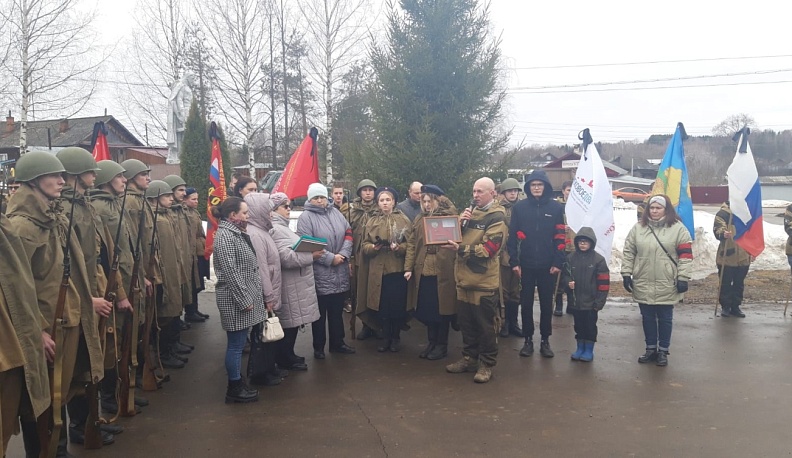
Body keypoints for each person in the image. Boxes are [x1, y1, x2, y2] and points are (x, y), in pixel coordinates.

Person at [8, 151, 109, 455]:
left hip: (67, 322)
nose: (62, 181)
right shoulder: (22, 228)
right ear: (35, 180)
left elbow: (75, 270)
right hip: (45, 329)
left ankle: (60, 448)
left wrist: (86, 302)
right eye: (55, 176)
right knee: (38, 402)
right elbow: (12, 290)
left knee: (60, 395)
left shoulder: (55, 220)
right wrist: (35, 331)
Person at [56, 147, 121, 447]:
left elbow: (100, 253)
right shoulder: (66, 211)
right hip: (79, 295)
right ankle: (79, 428)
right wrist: (86, 299)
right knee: (77, 366)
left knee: (89, 363)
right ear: (74, 173)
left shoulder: (84, 206)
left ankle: (87, 422)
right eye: (90, 170)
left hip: (93, 287)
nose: (96, 175)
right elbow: (69, 264)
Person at [445, 177, 507, 384]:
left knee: (486, 326)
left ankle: (486, 364)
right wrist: (459, 225)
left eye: (480, 191)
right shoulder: (471, 212)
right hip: (463, 280)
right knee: (467, 324)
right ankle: (469, 359)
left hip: (483, 282)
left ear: (492, 193)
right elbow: (457, 237)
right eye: (474, 191)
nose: (475, 195)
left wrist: (460, 249)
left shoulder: (497, 216)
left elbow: (489, 250)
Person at [622, 194, 693, 367]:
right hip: (643, 279)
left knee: (665, 318)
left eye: (658, 208)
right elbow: (629, 251)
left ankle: (663, 350)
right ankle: (650, 348)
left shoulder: (678, 229)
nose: (654, 211)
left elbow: (685, 256)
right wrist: (626, 273)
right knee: (647, 317)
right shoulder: (638, 228)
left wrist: (683, 277)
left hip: (666, 280)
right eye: (651, 208)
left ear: (666, 209)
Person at [0, 212, 49, 456]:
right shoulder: (19, 225)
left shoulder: (6, 227)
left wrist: (36, 326)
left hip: (14, 341)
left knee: (7, 424)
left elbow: (20, 286)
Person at [211, 196, 265, 403]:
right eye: (244, 212)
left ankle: (237, 381)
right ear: (233, 215)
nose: (248, 216)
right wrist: (244, 300)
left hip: (241, 297)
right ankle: (234, 387)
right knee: (235, 345)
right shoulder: (225, 236)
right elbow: (230, 272)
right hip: (234, 300)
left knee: (239, 342)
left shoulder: (236, 233)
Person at [507, 170, 565, 358]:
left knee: (547, 305)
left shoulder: (556, 208)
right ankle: (528, 340)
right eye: (533, 185)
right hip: (526, 265)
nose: (537, 188)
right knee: (526, 304)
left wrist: (558, 261)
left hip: (548, 266)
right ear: (528, 188)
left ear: (546, 187)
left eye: (540, 185)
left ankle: (545, 340)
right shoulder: (520, 208)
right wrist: (514, 262)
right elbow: (512, 237)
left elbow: (560, 237)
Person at [297, 183, 355, 359]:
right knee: (320, 314)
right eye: (316, 197)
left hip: (340, 271)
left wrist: (343, 255)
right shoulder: (305, 218)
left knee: (337, 312)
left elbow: (348, 233)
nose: (320, 200)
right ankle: (319, 347)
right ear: (310, 199)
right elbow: (307, 244)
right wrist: (331, 258)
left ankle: (338, 343)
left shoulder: (336, 213)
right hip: (320, 272)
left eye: (322, 197)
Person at [404, 185, 458, 360]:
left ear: (437, 200)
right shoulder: (420, 219)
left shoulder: (448, 217)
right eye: (424, 201)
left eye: (430, 201)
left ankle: (442, 345)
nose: (427, 205)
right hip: (424, 270)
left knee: (442, 309)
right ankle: (432, 342)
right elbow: (411, 244)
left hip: (443, 271)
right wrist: (408, 267)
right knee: (428, 309)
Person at [268, 193, 320, 370]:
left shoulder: (283, 227)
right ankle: (284, 358)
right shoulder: (276, 229)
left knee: (293, 323)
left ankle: (288, 354)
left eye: (289, 206)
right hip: (290, 285)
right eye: (285, 206)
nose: (289, 209)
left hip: (295, 284)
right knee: (289, 324)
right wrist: (311, 255)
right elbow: (285, 257)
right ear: (274, 210)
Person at [362, 186, 412, 352]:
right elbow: (364, 245)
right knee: (382, 306)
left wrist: (398, 248)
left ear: (394, 202)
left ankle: (396, 337)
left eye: (388, 200)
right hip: (378, 271)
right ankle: (385, 337)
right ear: (378, 203)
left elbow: (410, 245)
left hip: (396, 270)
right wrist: (373, 248)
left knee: (396, 306)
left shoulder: (403, 220)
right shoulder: (372, 221)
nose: (385, 203)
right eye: (382, 200)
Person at [244, 193, 287, 385]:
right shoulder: (255, 234)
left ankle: (269, 368)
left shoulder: (262, 231)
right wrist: (268, 296)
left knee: (267, 334)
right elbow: (261, 269)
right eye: (268, 210)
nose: (271, 214)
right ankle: (260, 374)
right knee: (262, 335)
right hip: (264, 294)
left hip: (270, 291)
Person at [145, 181, 188, 370]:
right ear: (154, 198)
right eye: (166, 196)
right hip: (163, 273)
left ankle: (170, 347)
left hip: (172, 270)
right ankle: (164, 353)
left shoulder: (167, 216)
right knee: (163, 315)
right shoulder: (155, 219)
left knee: (172, 313)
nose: (171, 199)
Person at [562, 227, 609, 362]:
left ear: (591, 243)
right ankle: (579, 347)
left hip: (591, 303)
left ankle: (589, 349)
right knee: (578, 326)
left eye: (586, 242)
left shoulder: (598, 260)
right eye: (580, 241)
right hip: (576, 302)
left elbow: (604, 284)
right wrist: (568, 284)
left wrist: (599, 303)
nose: (582, 244)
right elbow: (565, 276)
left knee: (590, 327)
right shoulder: (570, 258)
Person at [349, 179, 380, 340]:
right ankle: (366, 325)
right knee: (360, 292)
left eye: (371, 190)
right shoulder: (351, 211)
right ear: (360, 193)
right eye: (364, 190)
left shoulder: (380, 209)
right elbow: (346, 235)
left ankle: (377, 325)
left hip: (376, 257)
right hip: (358, 258)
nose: (368, 193)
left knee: (374, 291)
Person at [714, 202, 752, 318]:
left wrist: (752, 251)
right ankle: (725, 306)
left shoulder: (746, 213)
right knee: (725, 283)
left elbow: (753, 232)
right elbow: (717, 229)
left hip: (744, 255)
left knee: (739, 283)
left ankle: (735, 307)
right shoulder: (723, 213)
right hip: (727, 255)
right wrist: (722, 233)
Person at [497, 178, 523, 338]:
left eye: (515, 191)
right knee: (504, 291)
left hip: (521, 255)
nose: (513, 193)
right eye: (510, 191)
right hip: (504, 255)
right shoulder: (498, 210)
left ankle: (514, 322)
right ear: (504, 193)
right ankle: (504, 323)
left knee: (516, 292)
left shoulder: (524, 207)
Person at [183, 187, 211, 320]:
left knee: (198, 281)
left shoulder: (193, 212)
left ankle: (195, 309)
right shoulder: (185, 213)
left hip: (199, 251)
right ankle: (190, 312)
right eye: (193, 199)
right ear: (185, 199)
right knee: (192, 283)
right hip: (192, 252)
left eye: (197, 199)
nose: (196, 202)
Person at [554, 180, 575, 316]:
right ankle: (559, 304)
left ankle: (572, 303)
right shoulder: (557, 206)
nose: (570, 192)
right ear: (563, 191)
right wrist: (562, 227)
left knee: (573, 276)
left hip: (574, 246)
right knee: (559, 277)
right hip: (561, 245)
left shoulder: (580, 207)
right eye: (568, 190)